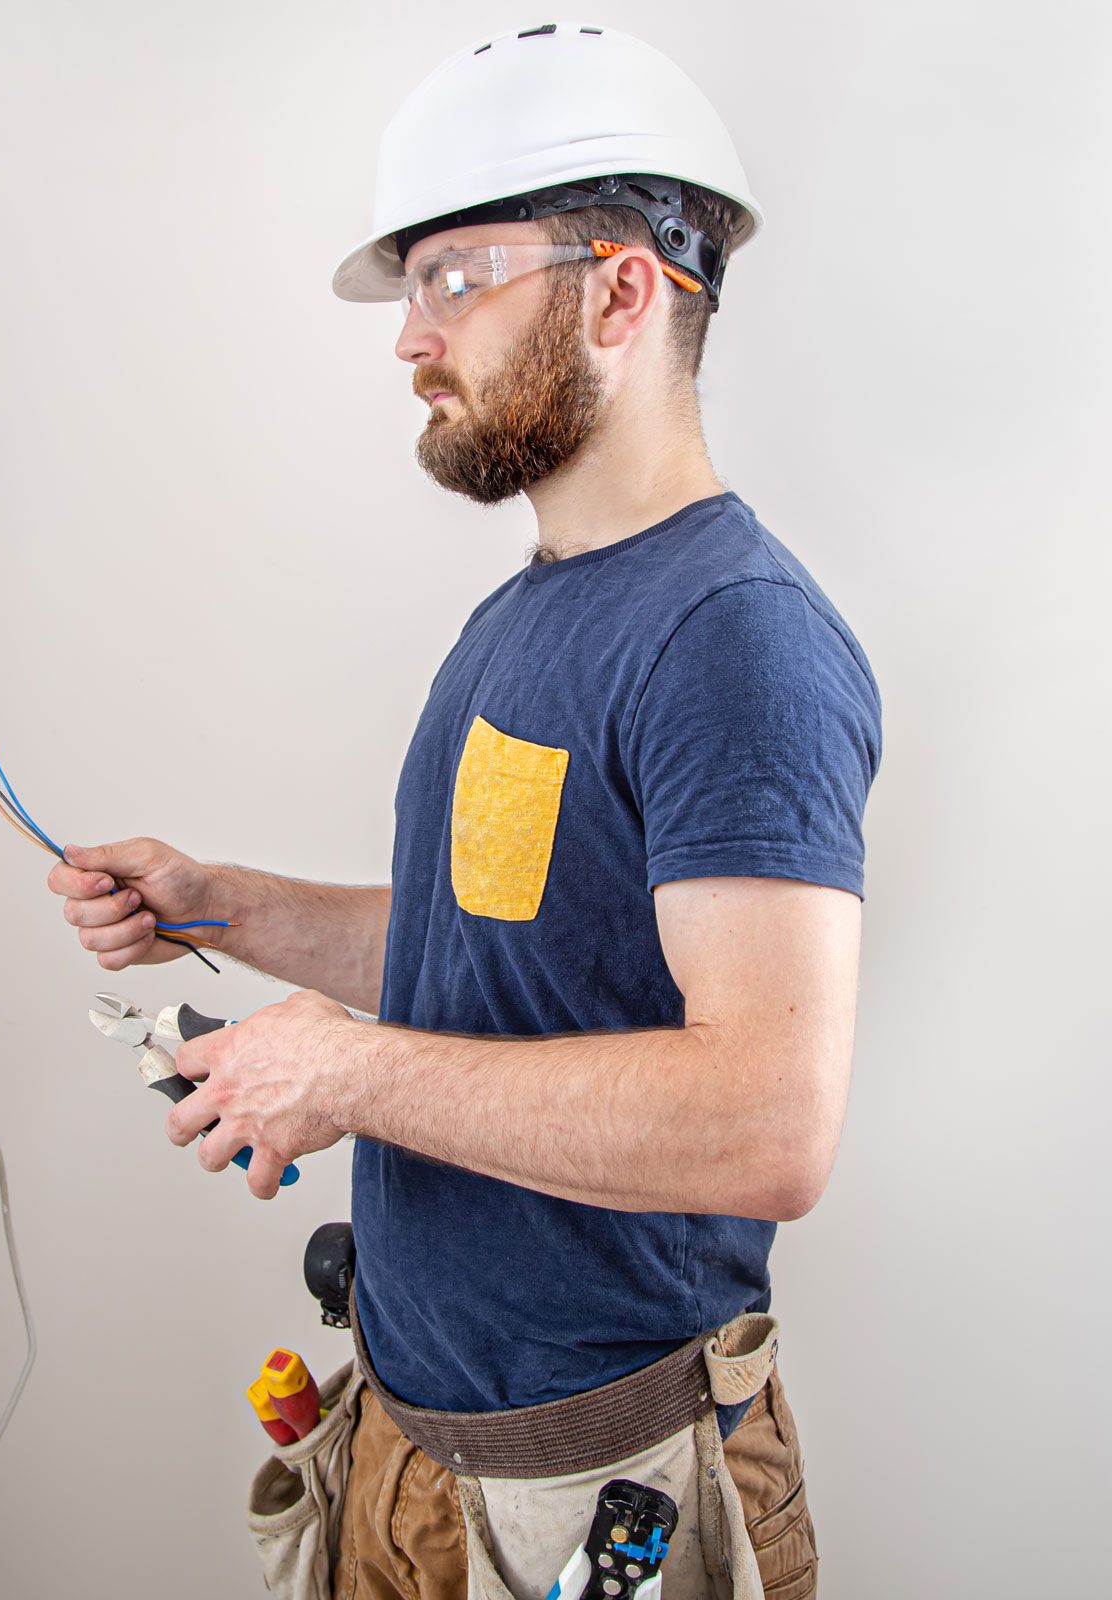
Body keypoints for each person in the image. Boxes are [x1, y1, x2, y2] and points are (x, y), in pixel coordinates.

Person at [48, 22, 879, 1600]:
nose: (411, 339)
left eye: (454, 279)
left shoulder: (736, 638)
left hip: (598, 1494)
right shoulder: (534, 611)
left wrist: (348, 1073)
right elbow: (491, 946)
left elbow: (771, 1120)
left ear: (623, 289)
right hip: (414, 1453)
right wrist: (218, 906)